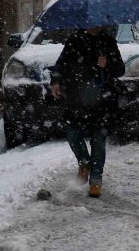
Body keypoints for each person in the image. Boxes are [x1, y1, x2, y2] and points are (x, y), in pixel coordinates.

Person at [50, 24, 125, 198]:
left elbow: (120, 69)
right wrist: (55, 81)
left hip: (102, 100)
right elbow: (61, 64)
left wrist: (107, 64)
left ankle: (96, 179)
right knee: (72, 133)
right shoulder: (74, 40)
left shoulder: (107, 42)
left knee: (98, 139)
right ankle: (84, 163)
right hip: (77, 97)